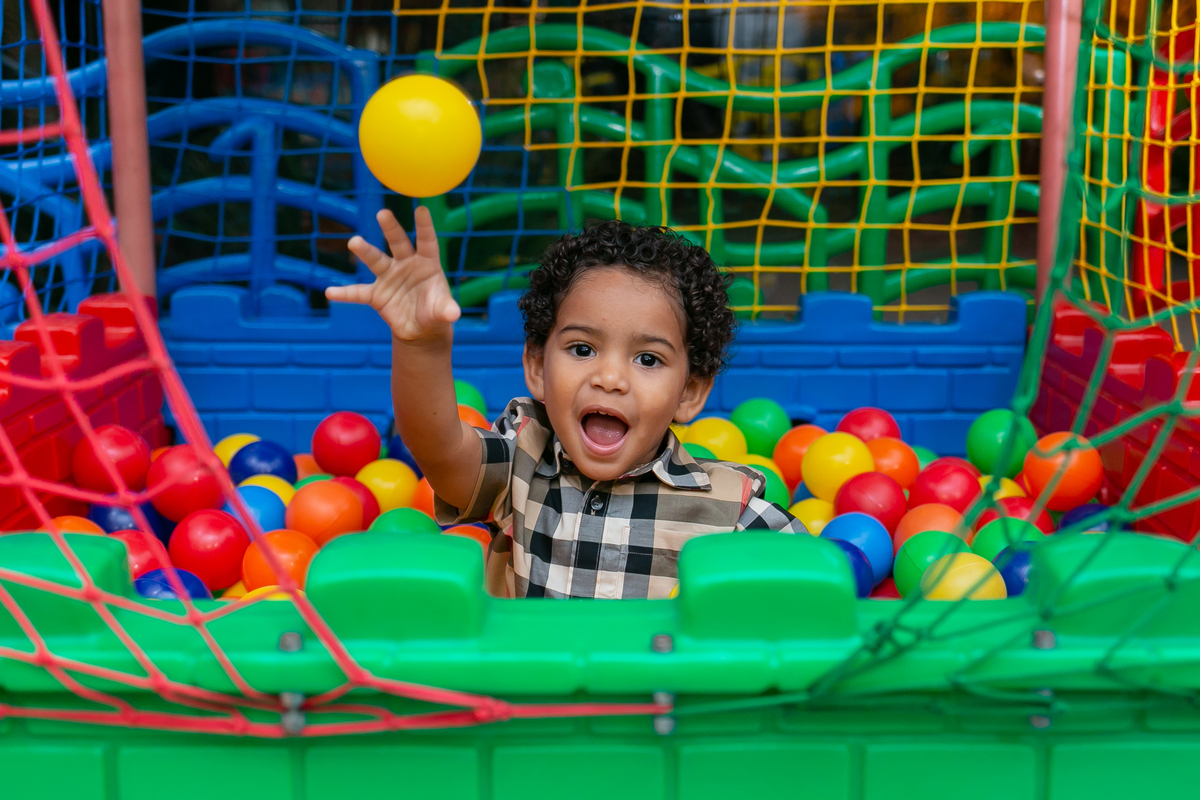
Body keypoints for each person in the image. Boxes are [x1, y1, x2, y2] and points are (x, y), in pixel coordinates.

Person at [327, 207, 806, 599]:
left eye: (647, 359)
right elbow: (439, 448)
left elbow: (813, 597)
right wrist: (421, 347)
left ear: (690, 392)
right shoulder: (522, 462)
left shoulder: (729, 508)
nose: (609, 378)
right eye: (582, 349)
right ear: (538, 365)